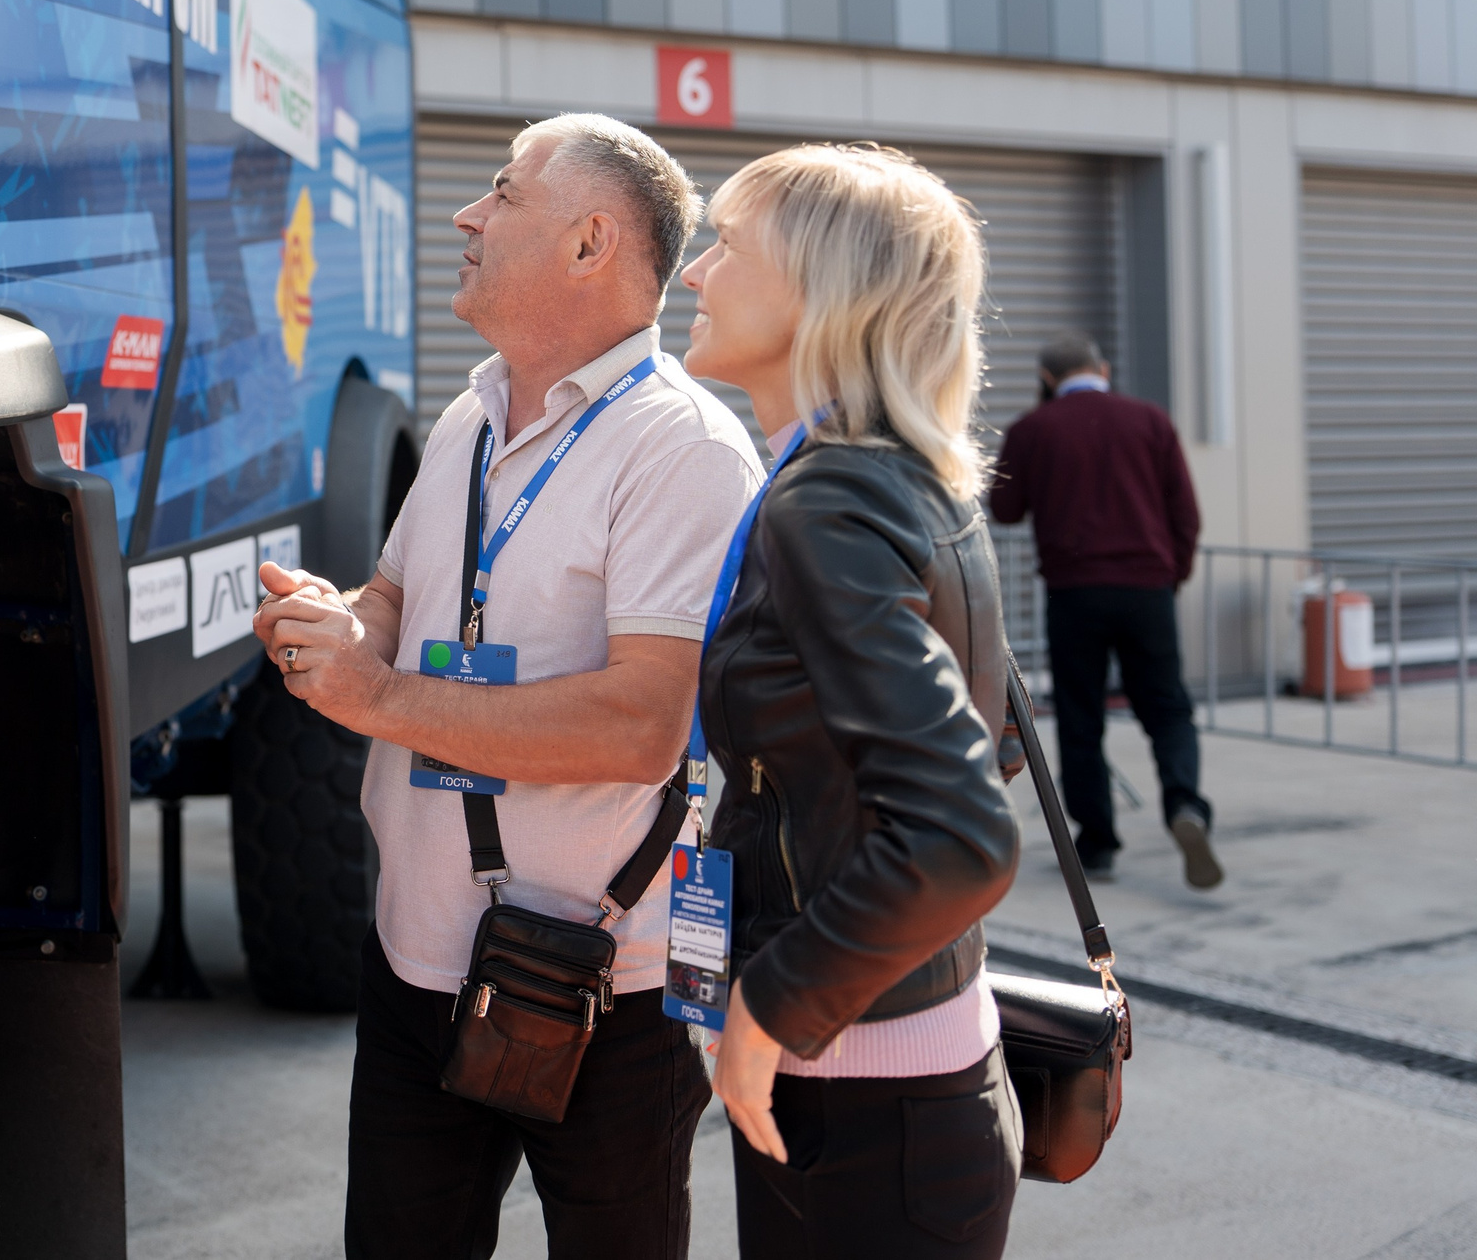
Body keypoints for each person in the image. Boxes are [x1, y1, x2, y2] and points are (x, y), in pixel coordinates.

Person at [253, 113, 762, 1260]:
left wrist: (375, 698)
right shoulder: (467, 420)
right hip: (416, 960)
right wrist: (341, 624)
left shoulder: (681, 449)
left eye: (500, 193)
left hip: (605, 986)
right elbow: (396, 594)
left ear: (590, 244)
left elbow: (642, 724)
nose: (464, 216)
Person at [680, 143, 1024, 1260]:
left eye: (725, 244)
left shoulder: (827, 493)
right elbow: (996, 741)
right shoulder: (897, 470)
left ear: (821, 292)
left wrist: (767, 1007)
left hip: (860, 1105)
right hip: (908, 1077)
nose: (694, 272)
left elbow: (963, 834)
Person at [989, 333, 1218, 889]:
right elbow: (1185, 515)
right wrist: (1172, 575)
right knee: (1167, 707)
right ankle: (1185, 805)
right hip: (1147, 588)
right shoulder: (1150, 421)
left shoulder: (1032, 430)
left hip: (1075, 593)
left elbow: (1005, 508)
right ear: (1104, 369)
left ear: (1046, 380)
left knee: (1080, 715)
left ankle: (1097, 844)